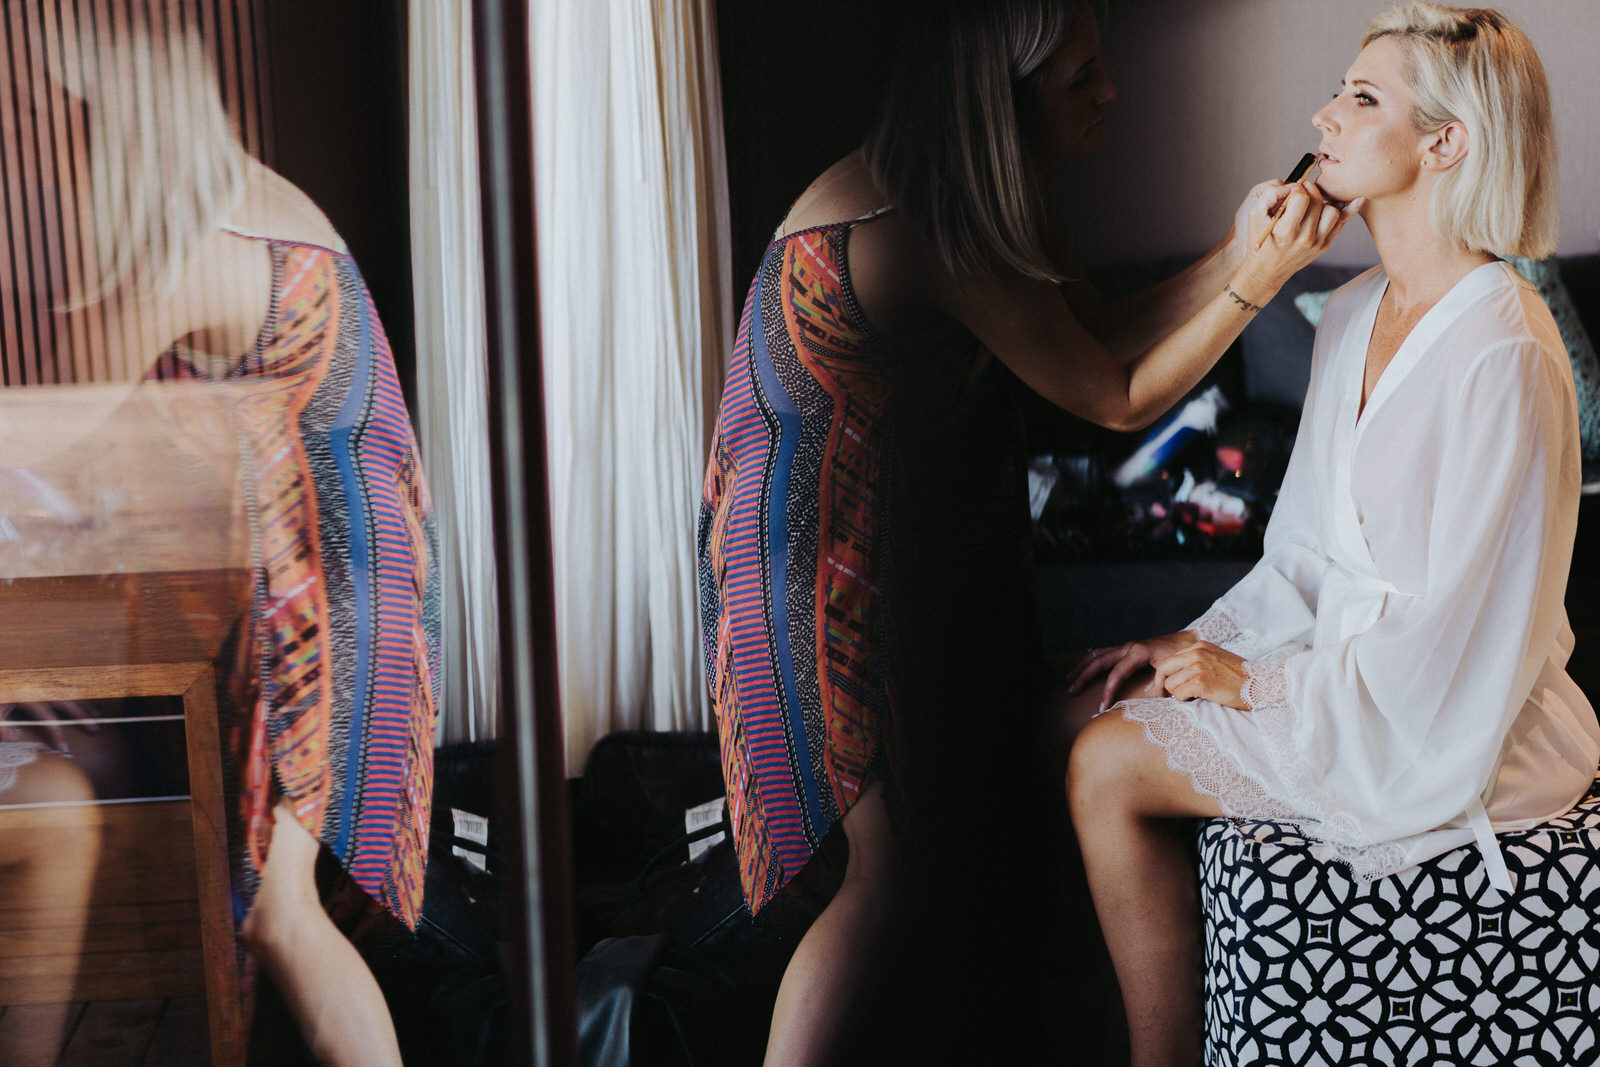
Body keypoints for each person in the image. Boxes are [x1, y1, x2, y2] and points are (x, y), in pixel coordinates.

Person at [695, 0, 1358, 1061]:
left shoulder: (979, 193)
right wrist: (1260, 282)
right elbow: (1114, 398)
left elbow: (1093, 334)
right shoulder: (925, 222)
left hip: (893, 542)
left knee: (938, 846)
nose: (1110, 91)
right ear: (998, 98)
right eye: (1080, 77)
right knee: (879, 875)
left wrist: (1240, 251)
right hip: (809, 567)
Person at [1062, 4, 1600, 1064]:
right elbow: (1304, 553)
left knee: (1104, 764)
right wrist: (1193, 645)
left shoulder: (1504, 347)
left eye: (1361, 97)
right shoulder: (1351, 310)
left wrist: (1254, 683)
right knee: (1073, 706)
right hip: (1348, 683)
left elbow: (1460, 636)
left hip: (1446, 720)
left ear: (1445, 141)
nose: (1324, 116)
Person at [3, 4, 439, 1064]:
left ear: (111, 113)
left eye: (45, 115)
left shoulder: (198, 248)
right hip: (343, 578)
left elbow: (48, 427)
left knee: (281, 914)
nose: (33, 142)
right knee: (257, 896)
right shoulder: (243, 204)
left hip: (327, 600)